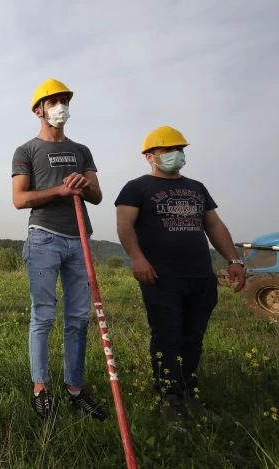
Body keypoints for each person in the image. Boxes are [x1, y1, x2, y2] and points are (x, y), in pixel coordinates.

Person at [115, 126, 245, 419]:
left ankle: (189, 392)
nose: (178, 155)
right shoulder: (136, 187)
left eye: (181, 149)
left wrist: (234, 260)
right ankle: (169, 399)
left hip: (200, 276)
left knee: (192, 338)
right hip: (161, 277)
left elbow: (214, 225)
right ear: (149, 156)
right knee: (167, 336)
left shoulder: (197, 187)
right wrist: (137, 259)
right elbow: (125, 226)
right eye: (169, 150)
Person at [11, 79, 108, 420]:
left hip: (80, 239)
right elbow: (20, 199)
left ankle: (75, 388)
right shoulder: (26, 150)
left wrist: (83, 186)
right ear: (38, 110)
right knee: (44, 314)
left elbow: (96, 195)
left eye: (64, 100)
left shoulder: (82, 150)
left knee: (79, 318)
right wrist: (59, 191)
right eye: (53, 101)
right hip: (44, 238)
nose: (60, 106)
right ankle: (40, 387)